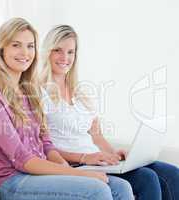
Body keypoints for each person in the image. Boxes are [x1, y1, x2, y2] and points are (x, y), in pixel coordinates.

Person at [0, 18, 134, 200]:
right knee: (97, 190)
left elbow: (46, 143)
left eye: (30, 46)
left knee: (121, 187)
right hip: (14, 181)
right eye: (16, 45)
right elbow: (22, 159)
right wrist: (79, 175)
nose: (25, 53)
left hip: (39, 173)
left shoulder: (28, 91)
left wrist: (63, 166)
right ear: (1, 49)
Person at [39, 24, 179, 200]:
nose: (64, 57)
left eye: (70, 52)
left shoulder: (80, 93)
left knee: (172, 174)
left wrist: (113, 155)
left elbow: (96, 136)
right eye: (58, 50)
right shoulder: (39, 93)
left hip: (97, 162)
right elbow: (42, 146)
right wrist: (85, 157)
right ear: (47, 52)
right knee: (147, 178)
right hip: (75, 165)